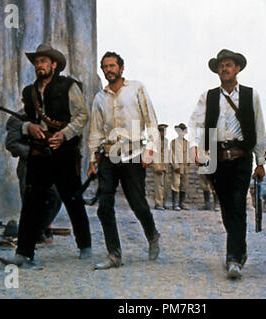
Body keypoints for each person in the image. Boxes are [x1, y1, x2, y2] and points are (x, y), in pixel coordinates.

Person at [0, 43, 92, 267]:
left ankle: (85, 246)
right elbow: (25, 121)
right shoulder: (29, 92)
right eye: (37, 62)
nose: (39, 65)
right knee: (31, 201)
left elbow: (81, 116)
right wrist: (28, 128)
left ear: (54, 65)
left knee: (72, 199)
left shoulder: (69, 86)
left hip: (65, 152)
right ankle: (24, 253)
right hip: (39, 153)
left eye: (43, 61)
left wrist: (64, 134)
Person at [189, 49, 266, 279]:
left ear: (237, 69)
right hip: (217, 158)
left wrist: (260, 161)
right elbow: (195, 123)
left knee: (237, 205)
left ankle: (233, 258)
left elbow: (259, 128)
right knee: (226, 208)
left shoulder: (251, 95)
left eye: (229, 65)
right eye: (221, 65)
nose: (225, 68)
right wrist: (195, 146)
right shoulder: (208, 97)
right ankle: (239, 251)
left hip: (241, 157)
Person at [87, 51, 161, 269]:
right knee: (104, 206)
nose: (108, 70)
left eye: (112, 66)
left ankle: (152, 234)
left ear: (121, 68)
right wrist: (93, 158)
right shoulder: (100, 97)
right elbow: (95, 130)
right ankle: (114, 254)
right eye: (105, 67)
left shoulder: (136, 88)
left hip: (133, 152)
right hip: (109, 155)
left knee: (137, 203)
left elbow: (151, 121)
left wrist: (150, 150)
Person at [5, 109, 62, 243]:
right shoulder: (17, 119)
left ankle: (39, 229)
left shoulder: (51, 116)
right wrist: (34, 152)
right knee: (30, 202)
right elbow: (11, 144)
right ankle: (32, 236)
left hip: (49, 164)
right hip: (28, 165)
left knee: (55, 197)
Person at [170, 123, 191, 211]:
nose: (182, 132)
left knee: (184, 185)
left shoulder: (187, 143)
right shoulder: (173, 142)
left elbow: (189, 154)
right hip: (177, 166)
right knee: (176, 184)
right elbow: (172, 155)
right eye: (180, 130)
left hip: (185, 166)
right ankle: (175, 204)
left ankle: (181, 203)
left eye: (183, 130)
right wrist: (176, 166)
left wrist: (189, 161)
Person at [153, 124, 170, 210]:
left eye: (164, 131)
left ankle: (164, 203)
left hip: (165, 166)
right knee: (159, 186)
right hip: (159, 166)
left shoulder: (166, 141)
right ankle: (158, 203)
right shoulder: (155, 141)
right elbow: (155, 155)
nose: (163, 133)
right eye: (161, 131)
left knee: (166, 186)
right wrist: (157, 167)